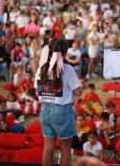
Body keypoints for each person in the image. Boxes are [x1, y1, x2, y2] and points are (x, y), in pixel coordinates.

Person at [34, 38, 82, 166]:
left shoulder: (41, 69)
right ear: (65, 53)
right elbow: (78, 92)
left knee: (48, 148)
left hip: (45, 109)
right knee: (65, 148)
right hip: (62, 110)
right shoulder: (68, 69)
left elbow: (36, 91)